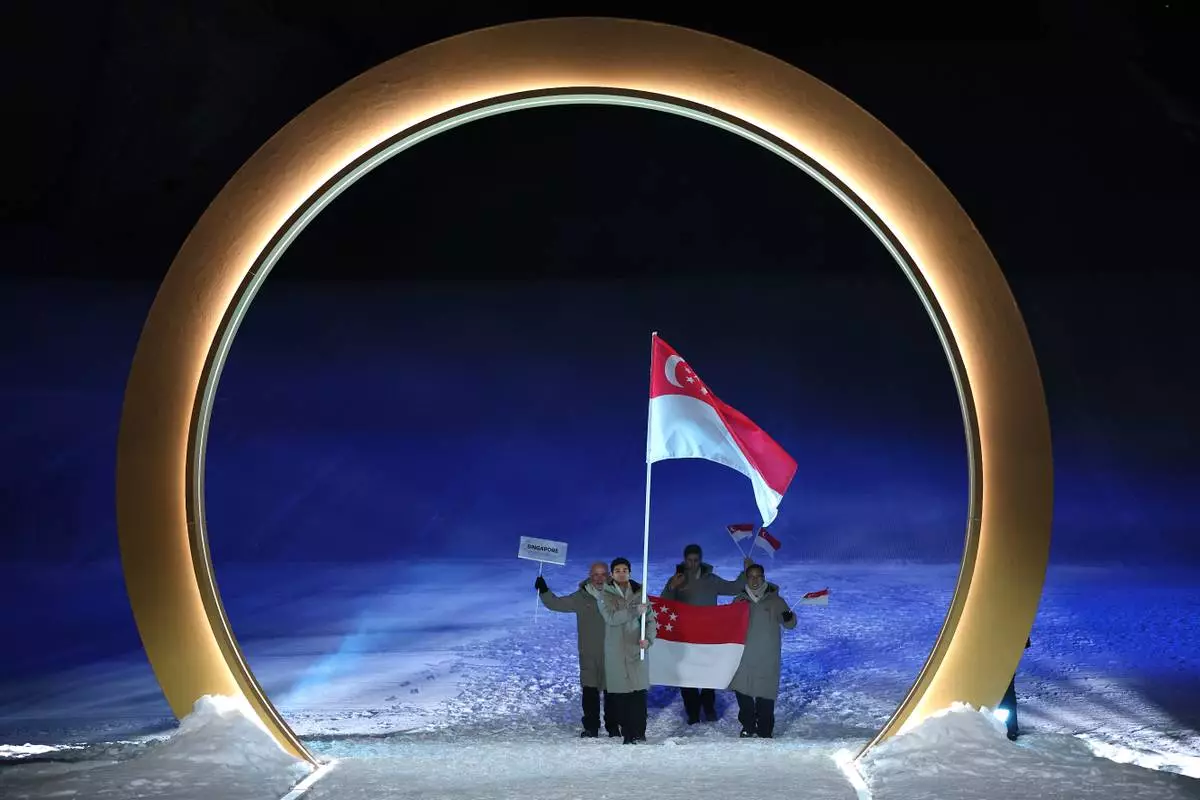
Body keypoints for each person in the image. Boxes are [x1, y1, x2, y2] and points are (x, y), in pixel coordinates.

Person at [661, 543, 753, 723]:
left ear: (700, 560)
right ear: (684, 560)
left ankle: (709, 707)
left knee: (707, 674)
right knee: (687, 676)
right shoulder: (677, 579)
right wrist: (672, 587)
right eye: (689, 560)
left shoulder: (711, 580)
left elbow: (734, 588)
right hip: (685, 636)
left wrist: (746, 572)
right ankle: (693, 712)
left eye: (696, 560)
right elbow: (665, 603)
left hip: (707, 635)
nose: (693, 563)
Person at [535, 562, 620, 738]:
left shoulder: (617, 596)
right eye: (595, 575)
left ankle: (613, 727)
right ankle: (591, 727)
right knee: (590, 692)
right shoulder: (581, 597)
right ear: (590, 575)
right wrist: (544, 590)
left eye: (602, 574)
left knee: (612, 693)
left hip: (612, 653)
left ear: (609, 576)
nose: (599, 578)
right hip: (589, 653)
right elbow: (556, 603)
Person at [728, 563, 796, 738]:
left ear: (764, 578)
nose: (755, 580)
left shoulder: (775, 600)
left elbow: (790, 624)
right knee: (743, 691)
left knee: (765, 694)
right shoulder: (740, 600)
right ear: (746, 578)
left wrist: (789, 617)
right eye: (751, 576)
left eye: (758, 576)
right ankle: (748, 726)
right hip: (744, 656)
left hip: (767, 656)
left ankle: (765, 729)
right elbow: (729, 623)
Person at [596, 557, 657, 744]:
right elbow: (611, 618)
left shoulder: (640, 593)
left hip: (636, 649)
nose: (621, 573)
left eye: (625, 570)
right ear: (612, 574)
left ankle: (639, 732)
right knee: (621, 695)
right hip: (617, 652)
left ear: (629, 572)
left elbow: (650, 620)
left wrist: (648, 640)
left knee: (638, 695)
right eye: (617, 570)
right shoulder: (604, 595)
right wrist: (633, 611)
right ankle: (627, 732)